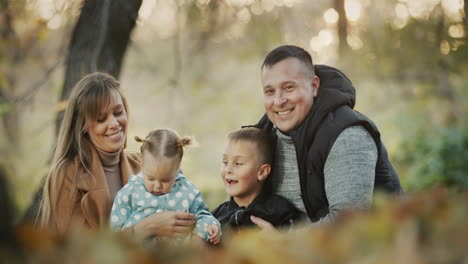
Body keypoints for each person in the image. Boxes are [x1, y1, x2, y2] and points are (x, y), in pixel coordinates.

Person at [249, 45, 403, 229]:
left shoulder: (347, 136)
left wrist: (282, 241)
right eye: (270, 91)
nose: (279, 101)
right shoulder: (262, 136)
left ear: (314, 86)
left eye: (289, 87)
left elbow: (348, 225)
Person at [38, 72, 196, 238]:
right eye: (101, 119)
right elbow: (72, 250)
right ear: (83, 126)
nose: (114, 124)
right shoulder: (68, 174)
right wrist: (145, 228)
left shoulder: (142, 163)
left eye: (118, 112)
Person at [110, 129, 221, 244]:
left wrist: (210, 226)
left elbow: (202, 215)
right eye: (151, 178)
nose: (157, 186)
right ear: (142, 164)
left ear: (177, 168)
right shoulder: (129, 193)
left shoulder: (187, 190)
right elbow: (115, 237)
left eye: (166, 180)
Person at [212, 127, 303, 231]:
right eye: (225, 162)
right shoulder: (214, 217)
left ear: (262, 172)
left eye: (238, 163)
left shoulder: (280, 211)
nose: (228, 169)